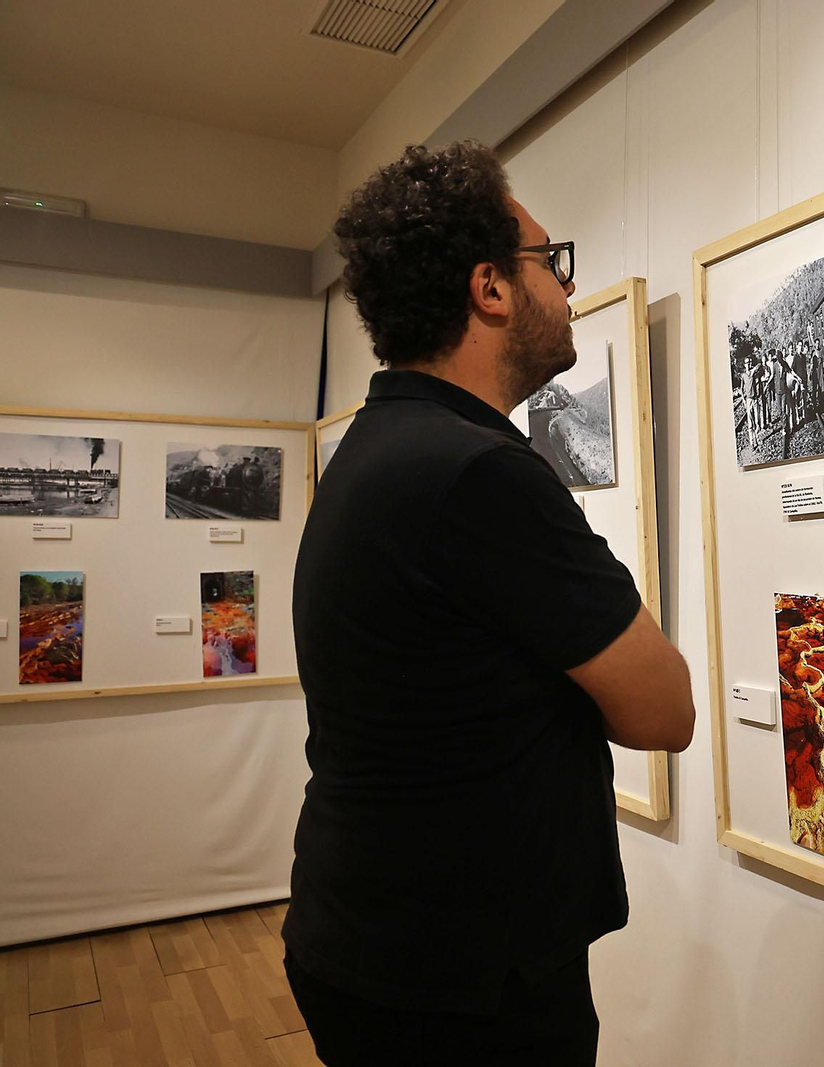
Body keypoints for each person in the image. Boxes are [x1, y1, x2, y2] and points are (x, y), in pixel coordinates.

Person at [284, 142, 695, 1067]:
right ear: (491, 289)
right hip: (459, 986)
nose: (564, 286)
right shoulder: (480, 474)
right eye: (551, 262)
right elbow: (665, 709)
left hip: (372, 944)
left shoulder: (377, 448)